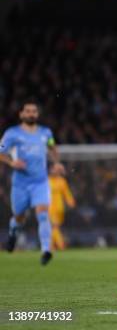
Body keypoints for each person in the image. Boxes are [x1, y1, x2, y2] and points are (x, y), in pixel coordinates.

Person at [0, 100, 60, 265]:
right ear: (21, 114)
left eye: (34, 111)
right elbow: (1, 151)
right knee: (19, 217)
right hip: (20, 184)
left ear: (37, 114)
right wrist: (12, 163)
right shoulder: (12, 133)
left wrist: (56, 162)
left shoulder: (46, 133)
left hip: (40, 182)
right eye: (28, 111)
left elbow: (52, 147)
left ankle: (46, 250)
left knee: (42, 213)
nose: (31, 114)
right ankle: (13, 232)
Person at [49, 162, 76, 250]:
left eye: (57, 170)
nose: (55, 171)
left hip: (59, 208)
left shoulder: (62, 181)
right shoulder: (46, 181)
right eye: (54, 169)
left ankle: (52, 246)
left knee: (54, 227)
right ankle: (60, 245)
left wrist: (70, 201)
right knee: (54, 226)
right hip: (49, 207)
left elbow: (67, 193)